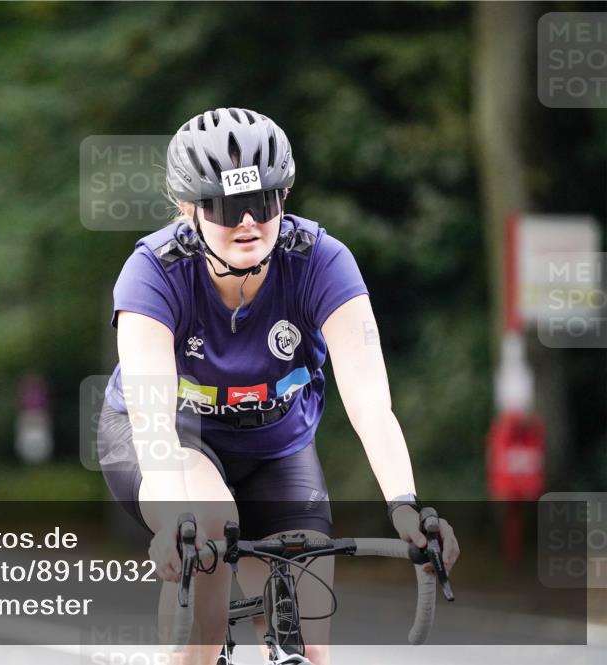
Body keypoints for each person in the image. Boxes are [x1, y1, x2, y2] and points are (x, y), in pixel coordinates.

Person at [97, 107, 460, 665]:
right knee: (209, 531)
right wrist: (174, 518)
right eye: (224, 207)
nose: (247, 222)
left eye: (262, 201)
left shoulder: (322, 261)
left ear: (284, 197)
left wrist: (406, 506)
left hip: (276, 444)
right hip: (174, 437)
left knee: (309, 647)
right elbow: (151, 415)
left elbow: (370, 403)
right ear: (188, 210)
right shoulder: (153, 272)